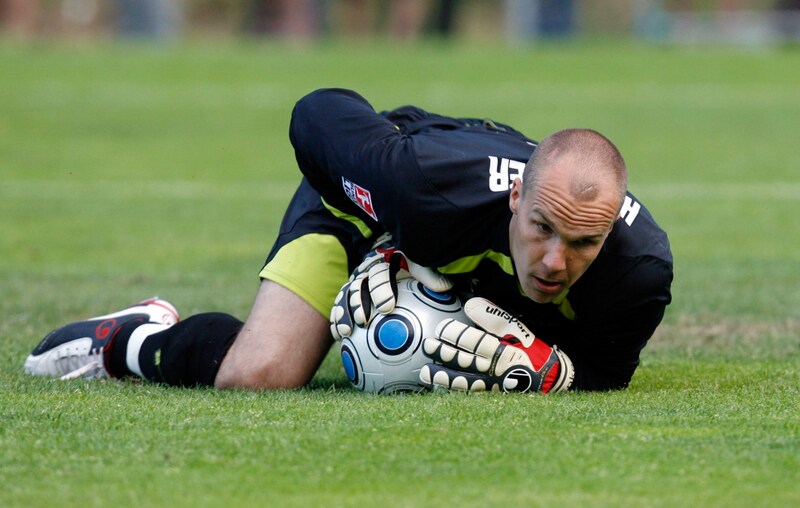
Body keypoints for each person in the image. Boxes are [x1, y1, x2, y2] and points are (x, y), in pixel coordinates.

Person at [24, 88, 673, 393]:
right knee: (259, 375)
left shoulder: (639, 271)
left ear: (610, 228)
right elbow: (316, 111)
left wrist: (553, 371)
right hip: (368, 210)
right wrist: (380, 245)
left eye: (583, 242)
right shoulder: (420, 187)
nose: (557, 260)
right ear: (514, 200)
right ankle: (131, 338)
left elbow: (607, 373)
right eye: (542, 229)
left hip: (449, 231)